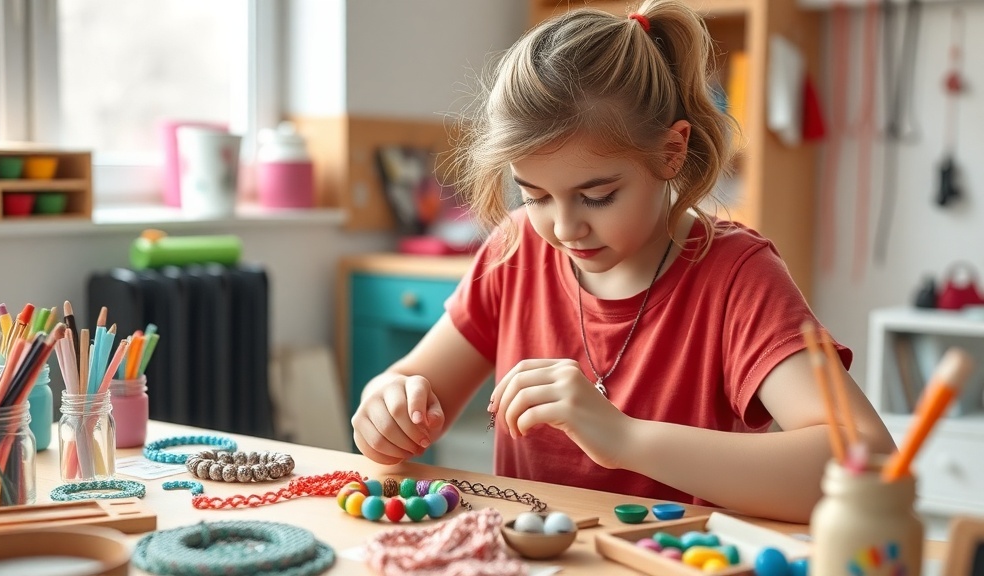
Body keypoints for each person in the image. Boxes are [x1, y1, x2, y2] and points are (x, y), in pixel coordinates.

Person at [351, 0, 894, 523]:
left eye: (598, 195)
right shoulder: (516, 247)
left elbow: (865, 463)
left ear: (671, 152)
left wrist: (626, 439)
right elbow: (412, 383)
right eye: (535, 195)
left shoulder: (736, 276)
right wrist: (387, 405)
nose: (564, 228)